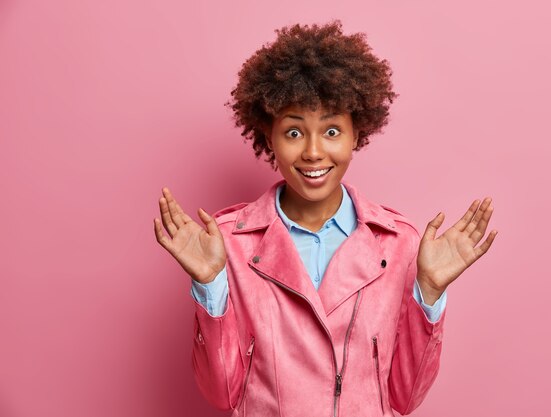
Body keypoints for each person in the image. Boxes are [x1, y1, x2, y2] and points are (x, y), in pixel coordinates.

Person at [153, 20, 497, 417]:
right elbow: (221, 395)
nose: (314, 152)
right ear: (269, 138)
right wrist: (210, 284)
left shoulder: (400, 243)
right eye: (294, 133)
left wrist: (430, 293)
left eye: (332, 130)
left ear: (356, 134)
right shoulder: (226, 243)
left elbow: (404, 397)